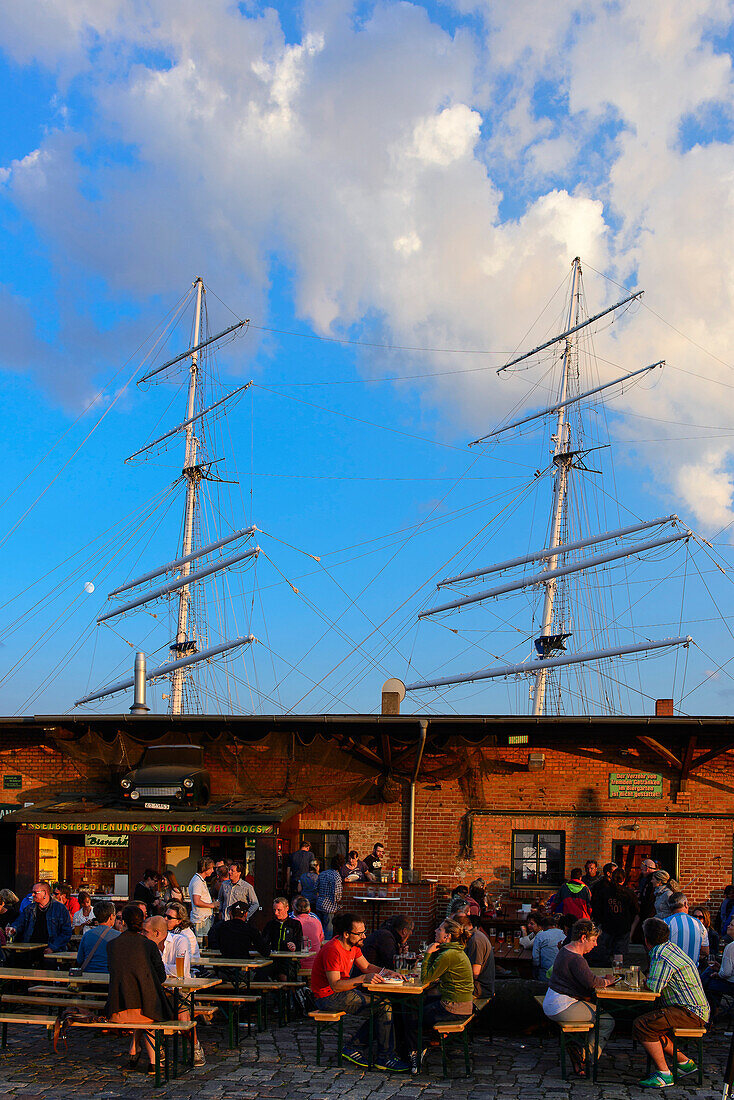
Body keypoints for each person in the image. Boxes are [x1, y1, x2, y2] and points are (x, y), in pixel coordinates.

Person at [310, 911, 407, 1072]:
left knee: (383, 1005)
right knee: (384, 1006)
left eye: (364, 932)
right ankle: (383, 1056)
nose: (363, 936)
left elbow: (367, 966)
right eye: (359, 933)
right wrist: (362, 979)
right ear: (347, 934)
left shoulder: (353, 946)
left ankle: (357, 1047)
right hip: (327, 996)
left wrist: (387, 972)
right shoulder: (333, 950)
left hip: (342, 992)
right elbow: (335, 985)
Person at [633, 917, 710, 1088]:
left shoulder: (661, 955)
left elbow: (654, 987)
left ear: (646, 940)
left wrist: (644, 981)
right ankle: (684, 1064)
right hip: (693, 1009)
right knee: (652, 1024)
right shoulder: (670, 948)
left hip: (690, 1012)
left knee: (642, 1025)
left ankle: (664, 1074)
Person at [542, 919, 616, 1076]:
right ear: (583, 938)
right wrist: (609, 981)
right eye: (593, 940)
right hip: (561, 1006)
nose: (595, 945)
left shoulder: (565, 950)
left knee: (592, 1011)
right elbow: (592, 982)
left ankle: (578, 1050)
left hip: (553, 1001)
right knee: (607, 1020)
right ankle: (585, 1058)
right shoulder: (576, 958)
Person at [106, 903, 174, 1074]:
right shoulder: (148, 945)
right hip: (144, 1010)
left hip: (117, 1008)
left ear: (123, 922)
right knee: (149, 1012)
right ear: (142, 922)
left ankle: (134, 1051)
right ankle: (154, 1062)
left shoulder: (112, 945)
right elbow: (161, 977)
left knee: (141, 1005)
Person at [410, 918, 474, 1071]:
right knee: (418, 1002)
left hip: (454, 1008)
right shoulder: (455, 950)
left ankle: (415, 1053)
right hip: (462, 1003)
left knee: (410, 1015)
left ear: (448, 936)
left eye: (439, 929)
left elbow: (426, 978)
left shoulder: (448, 954)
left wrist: (427, 954)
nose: (435, 931)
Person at [8, 881, 72, 954]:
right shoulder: (29, 909)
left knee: (49, 962)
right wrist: (13, 928)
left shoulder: (60, 909)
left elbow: (66, 933)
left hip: (52, 949)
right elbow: (19, 922)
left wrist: (52, 948)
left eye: (35, 892)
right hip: (30, 948)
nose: (32, 895)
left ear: (44, 893)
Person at [596, 868, 640, 960]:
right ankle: (617, 972)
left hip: (607, 926)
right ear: (624, 879)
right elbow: (635, 912)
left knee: (606, 951)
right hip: (623, 927)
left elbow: (598, 909)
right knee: (619, 952)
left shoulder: (605, 892)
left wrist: (599, 923)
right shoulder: (629, 893)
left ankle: (606, 969)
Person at [456, 913, 494, 999]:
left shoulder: (475, 941)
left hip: (480, 990)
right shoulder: (473, 936)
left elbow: (475, 973)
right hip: (475, 987)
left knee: (437, 992)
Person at [76, 901, 120, 972]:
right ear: (111, 916)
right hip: (109, 975)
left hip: (89, 974)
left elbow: (80, 959)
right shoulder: (118, 936)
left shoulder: (87, 935)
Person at [665, 893, 707, 965]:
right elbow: (705, 951)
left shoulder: (665, 923)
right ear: (685, 904)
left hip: (671, 971)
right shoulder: (699, 924)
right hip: (692, 972)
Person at [163, 901, 201, 966]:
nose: (165, 919)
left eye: (169, 917)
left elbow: (185, 961)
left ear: (178, 921)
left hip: (190, 968)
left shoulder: (184, 934)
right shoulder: (173, 930)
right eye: (165, 915)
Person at [188, 858, 218, 937]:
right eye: (211, 868)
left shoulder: (200, 880)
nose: (213, 871)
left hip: (203, 918)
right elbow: (196, 901)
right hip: (200, 920)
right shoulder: (197, 881)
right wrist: (212, 905)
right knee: (202, 943)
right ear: (205, 868)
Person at [315, 855, 343, 938]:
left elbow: (315, 888)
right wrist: (337, 902)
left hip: (319, 903)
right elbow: (337, 893)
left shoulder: (323, 873)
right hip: (329, 906)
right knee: (328, 932)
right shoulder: (336, 876)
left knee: (319, 930)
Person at [293, 896, 324, 969]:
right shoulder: (316, 922)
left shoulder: (292, 923)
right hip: (316, 963)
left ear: (294, 910)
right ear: (309, 910)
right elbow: (321, 940)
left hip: (298, 964)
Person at [532, 915, 565, 980]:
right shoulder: (564, 933)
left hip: (546, 973)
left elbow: (535, 958)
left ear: (542, 927)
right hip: (563, 973)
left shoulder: (540, 935)